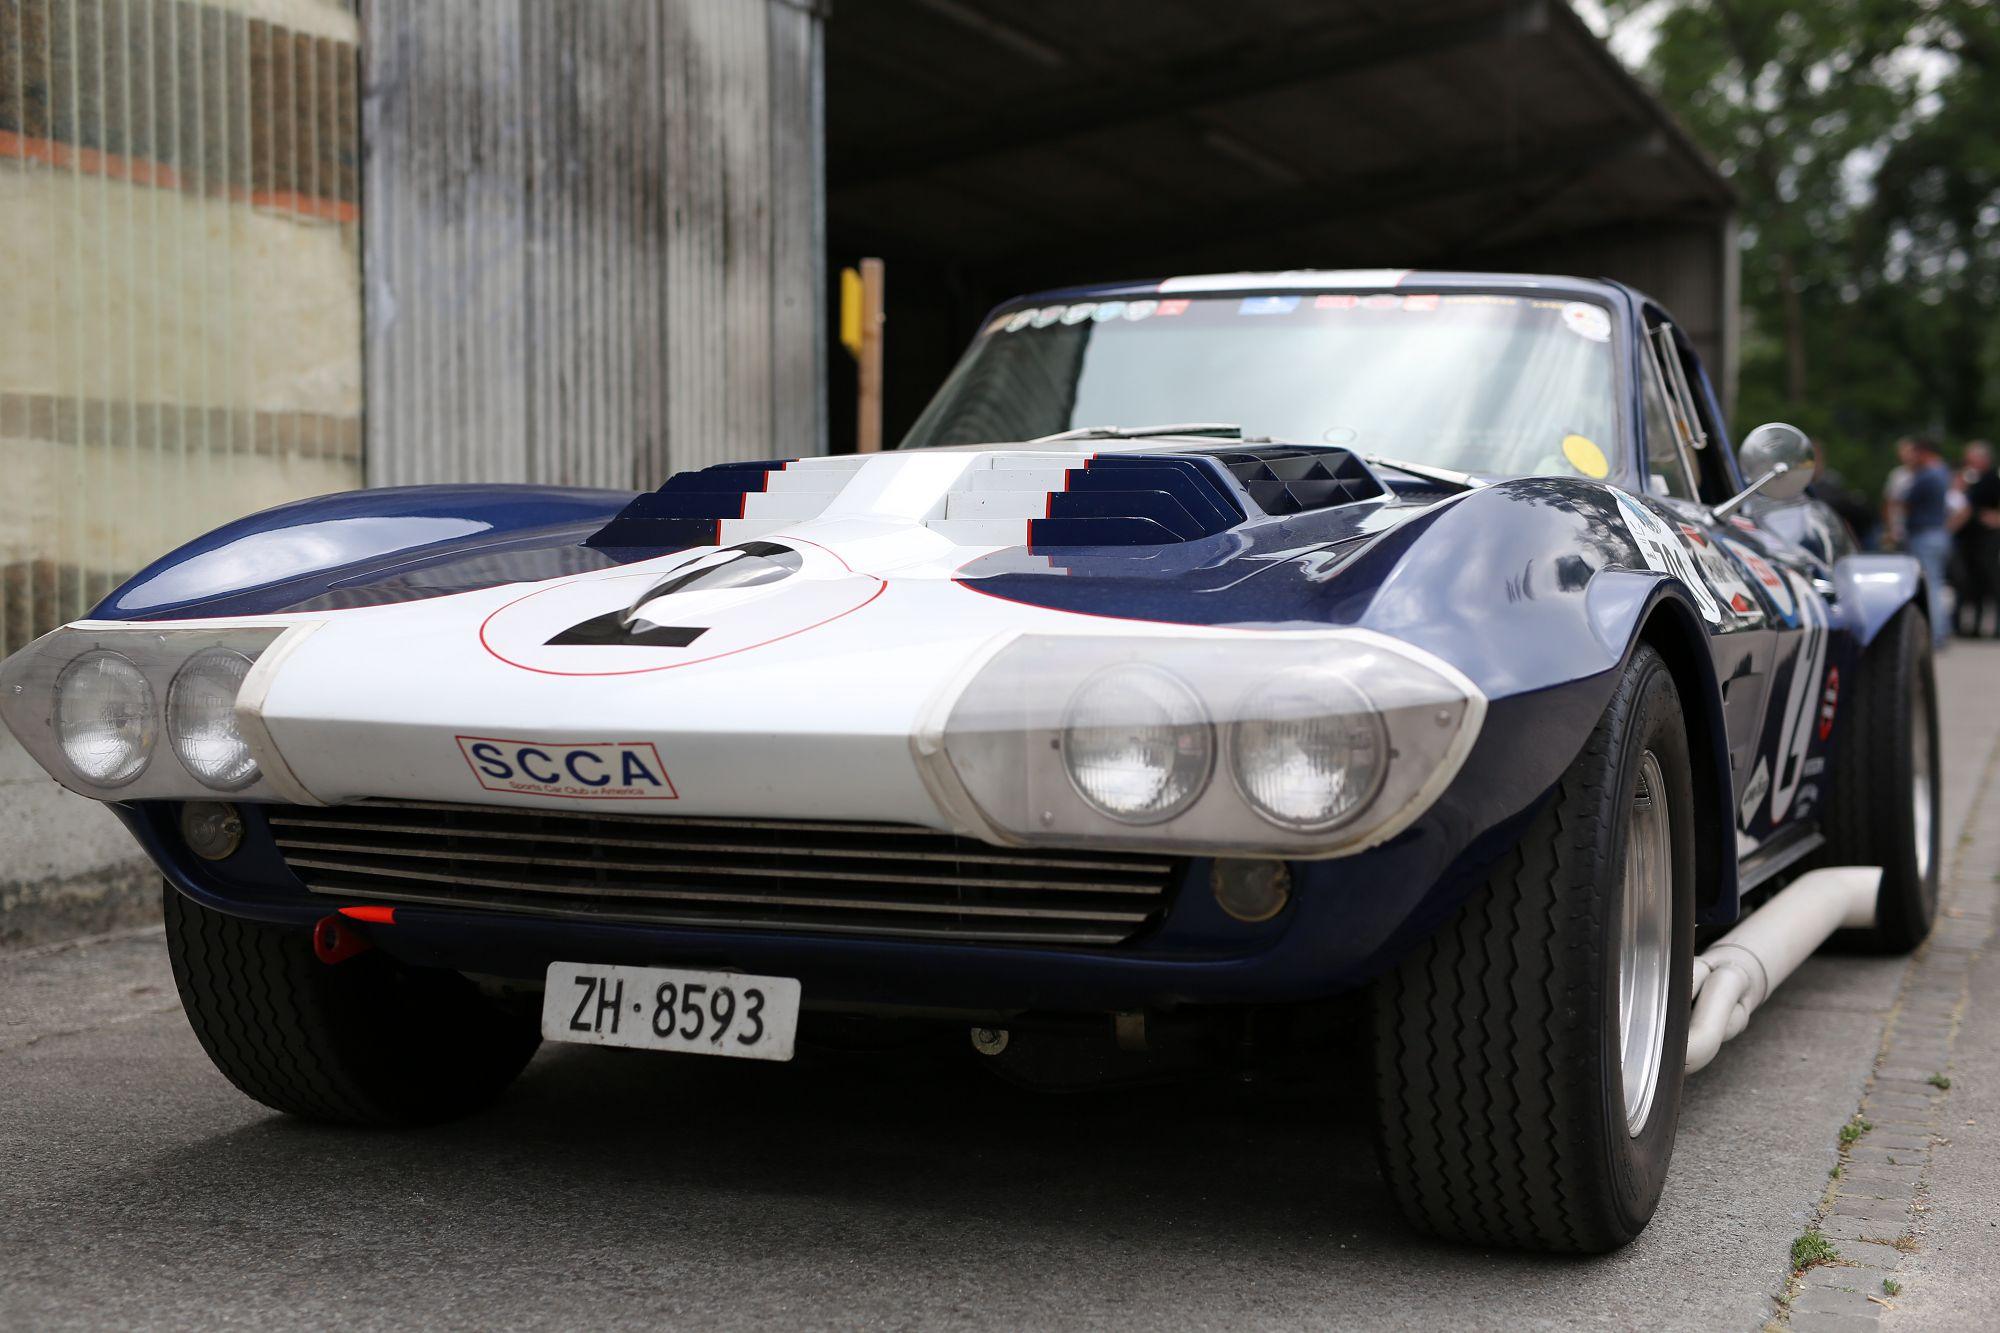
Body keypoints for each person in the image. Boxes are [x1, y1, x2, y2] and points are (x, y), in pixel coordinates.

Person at [1900, 436, 1957, 647]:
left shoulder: (1927, 475)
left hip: (1924, 534)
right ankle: (1940, 631)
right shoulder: (1943, 472)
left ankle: (1935, 634)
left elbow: (1906, 502)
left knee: (1930, 586)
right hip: (1938, 532)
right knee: (1936, 584)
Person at [1956, 441, 2000, 637]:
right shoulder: (1969, 478)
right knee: (1971, 583)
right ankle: (1973, 626)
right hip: (1969, 537)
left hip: (1987, 537)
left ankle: (1996, 627)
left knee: (1991, 579)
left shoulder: (1993, 478)